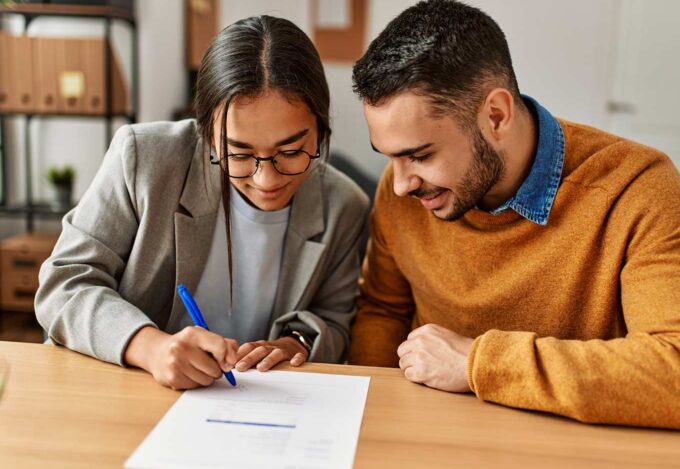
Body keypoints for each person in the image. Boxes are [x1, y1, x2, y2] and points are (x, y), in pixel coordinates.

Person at [348, 0, 680, 428]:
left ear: (496, 116)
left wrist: (478, 362)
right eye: (389, 157)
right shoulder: (405, 195)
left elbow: (672, 370)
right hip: (430, 438)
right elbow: (382, 311)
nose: (399, 183)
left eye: (420, 154)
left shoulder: (636, 188)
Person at [35, 15, 369, 390]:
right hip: (121, 393)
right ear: (207, 134)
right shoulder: (144, 159)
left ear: (321, 130)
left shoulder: (344, 205)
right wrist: (151, 347)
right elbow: (63, 283)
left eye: (291, 151)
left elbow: (334, 320)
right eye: (238, 153)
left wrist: (296, 343)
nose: (267, 180)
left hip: (249, 406)